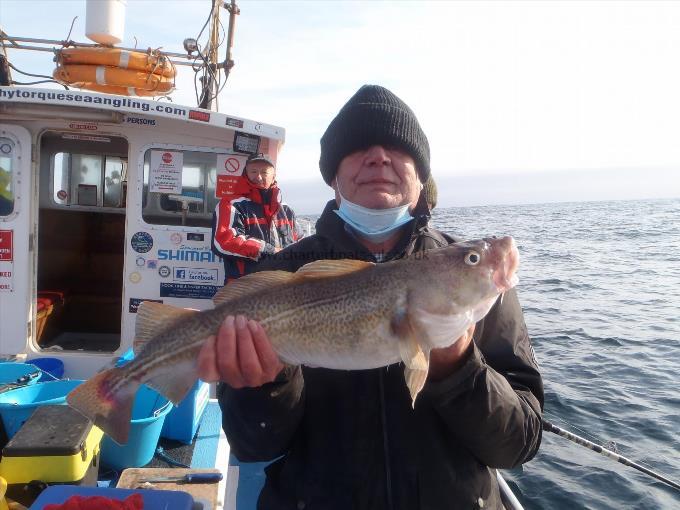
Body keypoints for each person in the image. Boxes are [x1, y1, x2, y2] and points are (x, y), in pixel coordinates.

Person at [198, 85, 544, 509]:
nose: (379, 155)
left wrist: (457, 367)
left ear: (421, 178)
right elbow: (254, 446)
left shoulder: (481, 291)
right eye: (358, 147)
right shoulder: (282, 277)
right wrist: (267, 383)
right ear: (334, 179)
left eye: (399, 149)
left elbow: (519, 443)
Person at [211, 153, 298, 284]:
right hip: (244, 288)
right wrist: (270, 251)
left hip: (282, 287)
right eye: (253, 171)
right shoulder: (231, 204)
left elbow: (299, 243)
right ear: (245, 174)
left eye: (264, 172)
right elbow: (224, 241)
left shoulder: (286, 210)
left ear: (273, 175)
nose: (258, 176)